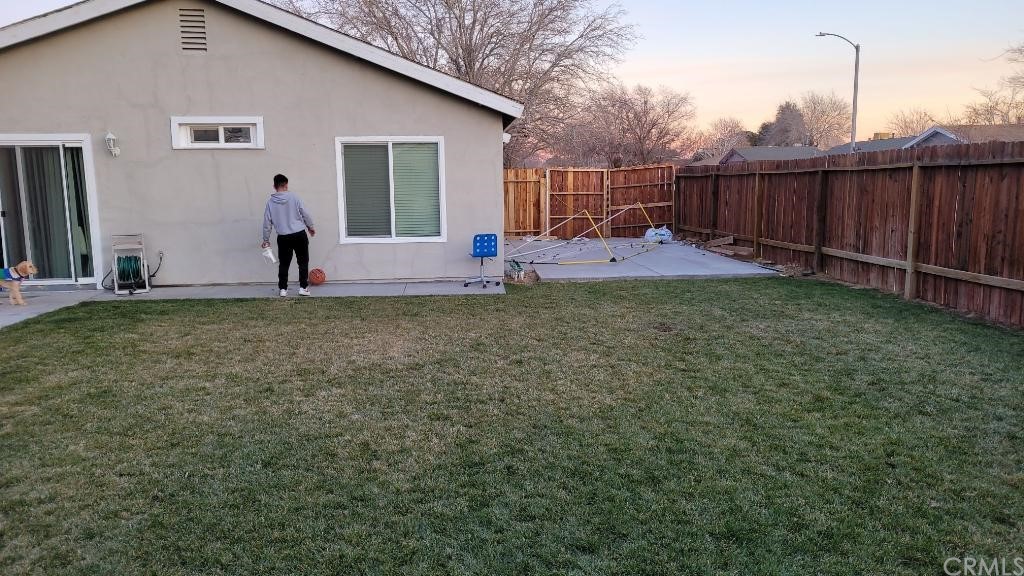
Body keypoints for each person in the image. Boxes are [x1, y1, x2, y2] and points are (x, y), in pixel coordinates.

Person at [261, 174, 316, 296]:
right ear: (286, 185)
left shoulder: (270, 202)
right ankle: (303, 288)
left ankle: (283, 289)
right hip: (299, 234)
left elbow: (267, 222)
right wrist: (310, 226)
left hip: (283, 237)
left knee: (284, 263)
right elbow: (305, 213)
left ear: (274, 186)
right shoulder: (294, 197)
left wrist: (266, 239)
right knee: (303, 261)